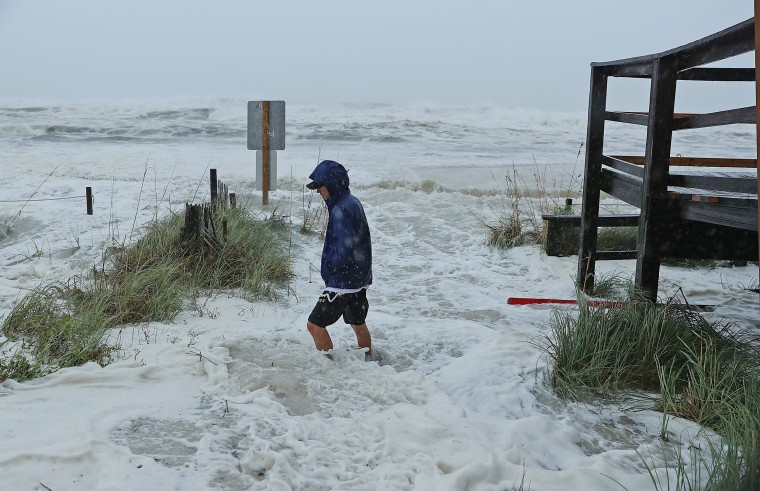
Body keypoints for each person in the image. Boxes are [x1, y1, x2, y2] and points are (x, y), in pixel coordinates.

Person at [305, 160, 373, 359]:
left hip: (343, 282)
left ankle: (330, 370)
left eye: (320, 186)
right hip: (359, 279)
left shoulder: (341, 209)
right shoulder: (352, 201)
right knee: (358, 323)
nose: (318, 192)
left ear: (332, 184)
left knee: (314, 325)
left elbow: (344, 249)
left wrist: (329, 268)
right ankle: (370, 362)